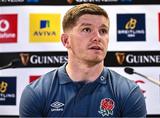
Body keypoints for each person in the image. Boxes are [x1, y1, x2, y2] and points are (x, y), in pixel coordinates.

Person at [19, 3, 147, 117]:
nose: (97, 37)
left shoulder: (129, 92)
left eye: (103, 31)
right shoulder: (36, 93)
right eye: (87, 29)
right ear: (66, 40)